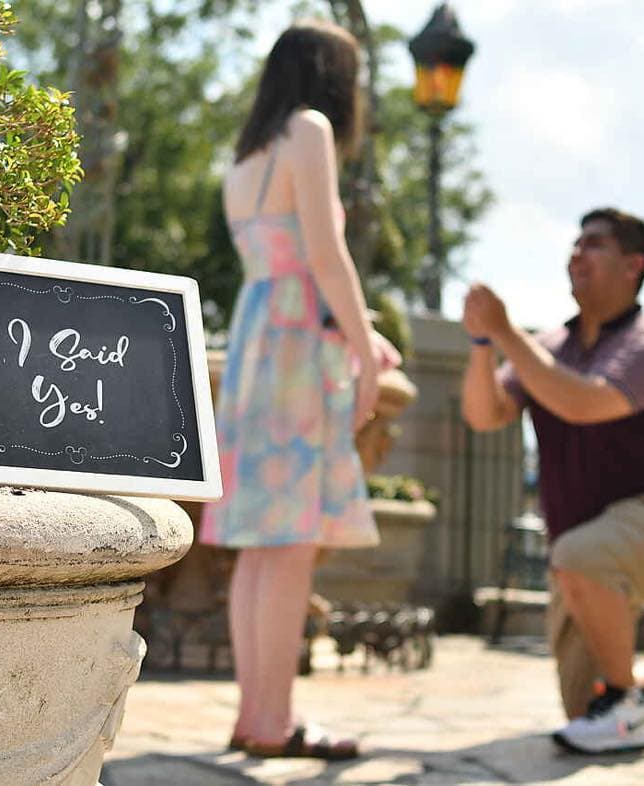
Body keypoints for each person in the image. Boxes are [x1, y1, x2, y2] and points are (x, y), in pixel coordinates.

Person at [461, 207, 644, 754]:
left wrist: (504, 332)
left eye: (594, 244)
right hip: (582, 550)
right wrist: (481, 343)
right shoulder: (548, 345)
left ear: (633, 265)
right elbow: (484, 414)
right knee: (584, 706)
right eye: (574, 244)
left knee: (607, 694)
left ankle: (626, 708)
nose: (577, 254)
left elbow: (582, 402)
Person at [199, 20, 398, 761]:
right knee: (289, 544)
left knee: (262, 548)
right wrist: (367, 355)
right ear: (331, 76)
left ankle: (256, 715)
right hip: (293, 350)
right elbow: (325, 252)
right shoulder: (309, 130)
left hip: (261, 337)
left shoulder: (246, 155)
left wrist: (359, 332)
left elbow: (290, 259)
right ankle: (273, 723)